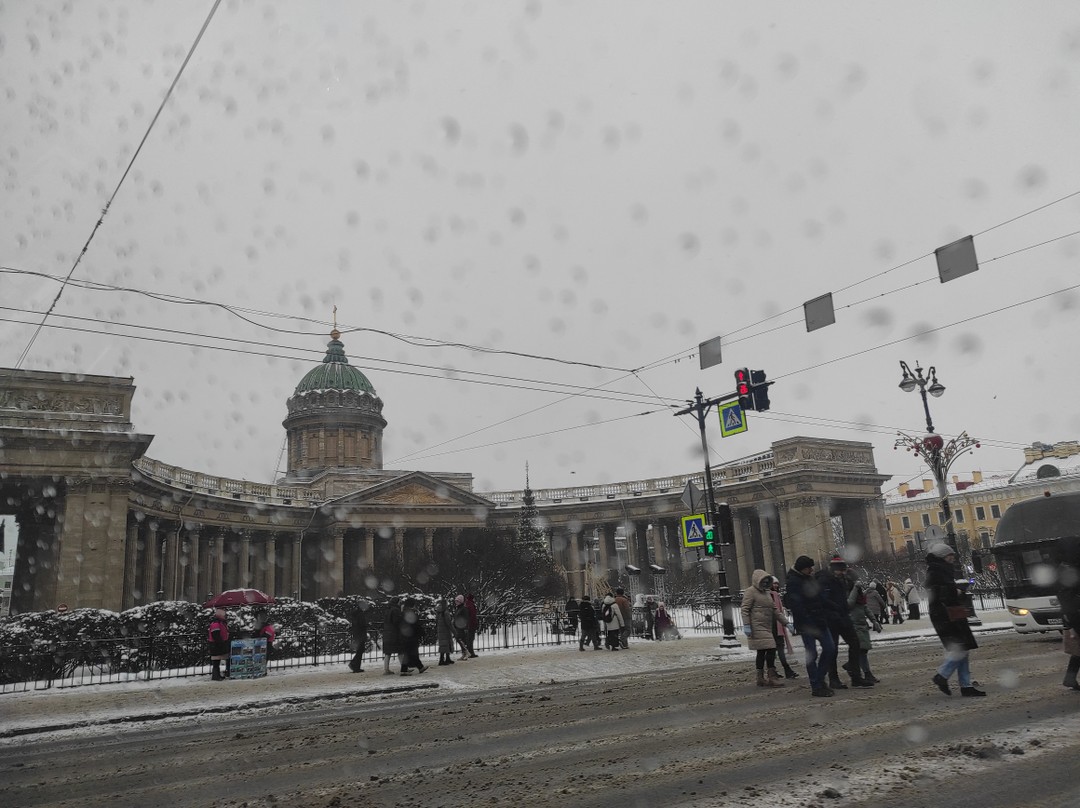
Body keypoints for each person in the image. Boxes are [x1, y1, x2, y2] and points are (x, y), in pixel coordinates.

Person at [926, 542, 985, 697]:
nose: (952, 557)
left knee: (962, 648)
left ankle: (965, 685)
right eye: (949, 555)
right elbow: (942, 593)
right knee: (960, 648)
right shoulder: (937, 571)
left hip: (949, 614)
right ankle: (942, 675)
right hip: (946, 615)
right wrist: (957, 591)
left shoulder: (939, 569)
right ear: (942, 556)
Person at [816, 555, 872, 689]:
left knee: (855, 643)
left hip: (843, 617)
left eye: (844, 570)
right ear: (834, 569)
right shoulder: (824, 580)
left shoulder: (841, 579)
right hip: (831, 619)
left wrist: (844, 609)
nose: (843, 572)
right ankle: (834, 679)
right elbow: (823, 599)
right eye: (840, 570)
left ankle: (856, 676)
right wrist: (836, 608)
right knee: (832, 649)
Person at [784, 556, 836, 697]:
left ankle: (819, 678)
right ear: (802, 568)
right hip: (807, 624)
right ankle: (816, 685)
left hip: (819, 620)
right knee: (811, 654)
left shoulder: (809, 578)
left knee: (830, 648)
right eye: (809, 567)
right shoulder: (793, 582)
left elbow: (819, 597)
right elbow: (797, 605)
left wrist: (833, 606)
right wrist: (807, 620)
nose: (812, 570)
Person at [741, 570, 788, 687]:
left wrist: (786, 623)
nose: (766, 583)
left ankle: (760, 677)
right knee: (771, 648)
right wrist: (746, 625)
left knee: (762, 652)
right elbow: (745, 609)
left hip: (766, 626)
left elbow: (775, 610)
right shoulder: (750, 592)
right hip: (756, 627)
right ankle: (771, 676)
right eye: (764, 581)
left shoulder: (767, 593)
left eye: (768, 581)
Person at [846, 570, 882, 684]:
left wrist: (874, 621)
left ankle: (851, 666)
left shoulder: (859, 592)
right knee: (862, 649)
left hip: (862, 623)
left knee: (863, 649)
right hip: (853, 623)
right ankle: (866, 674)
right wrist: (855, 589)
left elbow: (864, 606)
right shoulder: (848, 590)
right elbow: (849, 604)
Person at [1057, 536, 1080, 690]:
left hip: (1072, 616)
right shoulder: (1069, 570)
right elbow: (1068, 597)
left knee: (1078, 651)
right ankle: (1070, 678)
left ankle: (1070, 678)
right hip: (1076, 616)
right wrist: (1073, 626)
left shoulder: (1065, 567)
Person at [769, 578, 799, 678]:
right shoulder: (771, 595)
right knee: (776, 649)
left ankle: (775, 670)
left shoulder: (776, 595)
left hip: (778, 625)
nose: (776, 586)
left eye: (777, 583)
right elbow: (775, 611)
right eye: (774, 583)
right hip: (774, 626)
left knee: (776, 649)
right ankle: (785, 669)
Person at [399, 597, 428, 675]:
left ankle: (417, 667)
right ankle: (418, 667)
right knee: (412, 652)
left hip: (405, 636)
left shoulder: (403, 612)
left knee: (408, 653)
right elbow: (415, 625)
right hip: (411, 636)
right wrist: (422, 632)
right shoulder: (410, 613)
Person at [382, 596, 404, 675]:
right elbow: (397, 621)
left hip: (387, 633)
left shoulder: (388, 609)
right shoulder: (396, 610)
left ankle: (386, 669)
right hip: (394, 634)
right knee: (401, 651)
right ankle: (404, 668)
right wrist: (401, 613)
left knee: (388, 653)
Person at [208, 607, 230, 681]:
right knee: (216, 662)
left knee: (218, 661)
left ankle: (217, 675)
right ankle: (216, 676)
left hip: (218, 644)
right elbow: (215, 635)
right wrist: (221, 642)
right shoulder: (216, 624)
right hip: (216, 645)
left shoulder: (220, 623)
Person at [347, 600, 370, 673]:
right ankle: (355, 665)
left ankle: (355, 665)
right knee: (360, 650)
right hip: (361, 634)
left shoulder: (356, 613)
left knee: (360, 650)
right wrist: (366, 625)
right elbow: (362, 624)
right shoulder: (360, 614)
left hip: (357, 633)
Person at [434, 598, 456, 666]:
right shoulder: (445, 612)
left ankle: (444, 658)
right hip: (446, 630)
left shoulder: (438, 612)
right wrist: (454, 631)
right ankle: (444, 659)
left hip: (440, 630)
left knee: (443, 645)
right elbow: (449, 623)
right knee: (447, 644)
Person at [452, 595, 471, 661]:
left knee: (461, 640)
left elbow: (466, 618)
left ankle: (466, 652)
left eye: (457, 601)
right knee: (459, 639)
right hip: (458, 626)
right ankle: (464, 653)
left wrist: (465, 627)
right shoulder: (459, 608)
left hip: (461, 627)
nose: (456, 602)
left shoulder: (463, 609)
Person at [464, 593, 480, 658]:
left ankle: (469, 652)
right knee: (471, 639)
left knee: (469, 639)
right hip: (471, 624)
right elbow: (473, 615)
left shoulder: (467, 604)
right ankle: (471, 652)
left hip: (468, 624)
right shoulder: (471, 605)